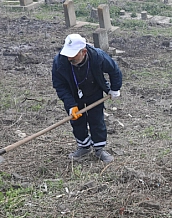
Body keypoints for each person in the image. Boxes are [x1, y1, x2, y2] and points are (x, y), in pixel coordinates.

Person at [52, 34, 122, 163]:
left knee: (96, 120)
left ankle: (99, 149)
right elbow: (59, 85)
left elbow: (114, 70)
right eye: (68, 54)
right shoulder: (60, 61)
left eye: (73, 55)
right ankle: (84, 147)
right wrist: (70, 104)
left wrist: (114, 88)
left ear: (84, 52)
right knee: (77, 121)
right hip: (73, 93)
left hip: (94, 89)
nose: (69, 58)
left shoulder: (98, 56)